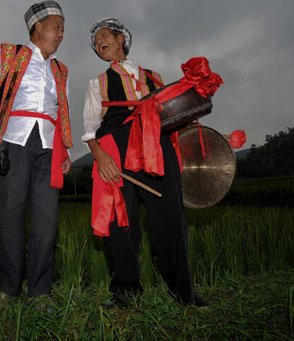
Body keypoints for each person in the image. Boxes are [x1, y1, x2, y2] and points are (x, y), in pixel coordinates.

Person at [82, 17, 207, 308]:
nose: (99, 42)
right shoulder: (97, 83)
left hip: (156, 144)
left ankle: (183, 292)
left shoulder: (154, 77)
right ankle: (126, 292)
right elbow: (89, 127)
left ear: (121, 38)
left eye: (104, 35)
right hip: (117, 146)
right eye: (96, 42)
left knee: (171, 216)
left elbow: (175, 115)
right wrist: (101, 158)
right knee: (120, 221)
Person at [0, 0, 73, 313]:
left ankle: (40, 292)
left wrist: (65, 151)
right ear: (38, 27)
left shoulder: (60, 70)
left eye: (62, 29)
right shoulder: (9, 55)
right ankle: (8, 289)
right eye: (57, 27)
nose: (60, 34)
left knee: (46, 220)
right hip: (12, 141)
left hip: (48, 147)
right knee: (10, 217)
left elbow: (62, 113)